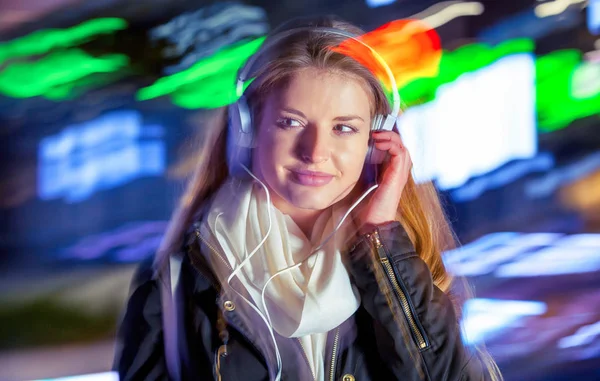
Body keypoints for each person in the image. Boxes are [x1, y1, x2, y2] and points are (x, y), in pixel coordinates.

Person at [114, 16, 502, 381]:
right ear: (248, 130)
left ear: (375, 140)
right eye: (291, 122)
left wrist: (380, 237)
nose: (315, 150)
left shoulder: (401, 261)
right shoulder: (178, 277)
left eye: (344, 128)